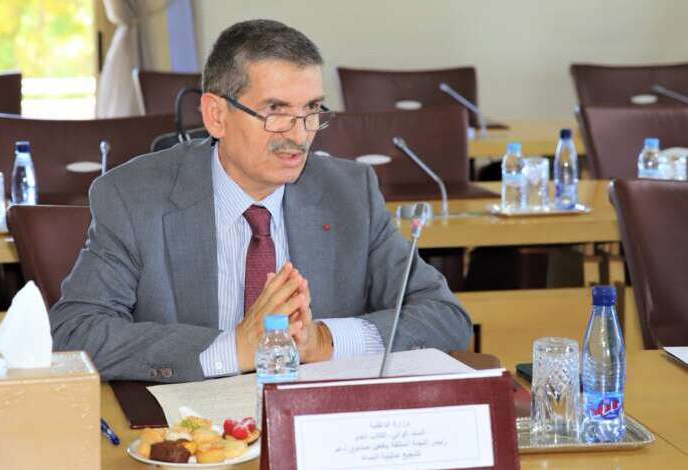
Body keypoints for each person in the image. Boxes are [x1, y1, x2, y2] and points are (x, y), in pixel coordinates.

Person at [50, 19, 472, 382]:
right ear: (216, 116)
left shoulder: (350, 193)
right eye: (276, 111)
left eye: (311, 110)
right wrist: (233, 348)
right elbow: (75, 332)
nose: (299, 135)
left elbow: (445, 316)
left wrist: (322, 341)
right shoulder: (133, 197)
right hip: (191, 428)